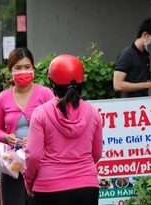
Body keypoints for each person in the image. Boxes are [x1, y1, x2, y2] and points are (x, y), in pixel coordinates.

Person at [23, 54, 103, 205]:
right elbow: (97, 153)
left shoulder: (41, 113)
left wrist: (28, 181)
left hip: (49, 188)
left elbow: (33, 155)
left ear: (52, 83)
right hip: (87, 187)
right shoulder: (93, 112)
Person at [0, 47, 54, 205]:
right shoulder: (3, 97)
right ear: (10, 70)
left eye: (27, 67)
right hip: (12, 164)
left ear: (33, 68)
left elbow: (55, 128)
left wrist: (35, 140)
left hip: (41, 163)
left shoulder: (46, 94)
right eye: (18, 68)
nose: (23, 71)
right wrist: (5, 137)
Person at [113, 18, 151, 98]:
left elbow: (146, 81)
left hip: (144, 103)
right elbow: (117, 85)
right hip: (131, 106)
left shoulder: (145, 56)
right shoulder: (126, 55)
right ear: (145, 34)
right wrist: (147, 85)